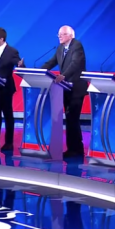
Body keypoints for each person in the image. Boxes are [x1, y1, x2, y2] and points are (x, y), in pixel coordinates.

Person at [42, 25, 87, 158]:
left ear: (70, 35)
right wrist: (39, 71)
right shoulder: (60, 48)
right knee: (69, 118)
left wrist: (63, 75)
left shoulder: (77, 46)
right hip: (65, 88)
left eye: (62, 34)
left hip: (76, 88)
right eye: (59, 34)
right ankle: (72, 148)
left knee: (73, 118)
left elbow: (75, 64)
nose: (59, 36)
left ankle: (77, 148)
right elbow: (51, 62)